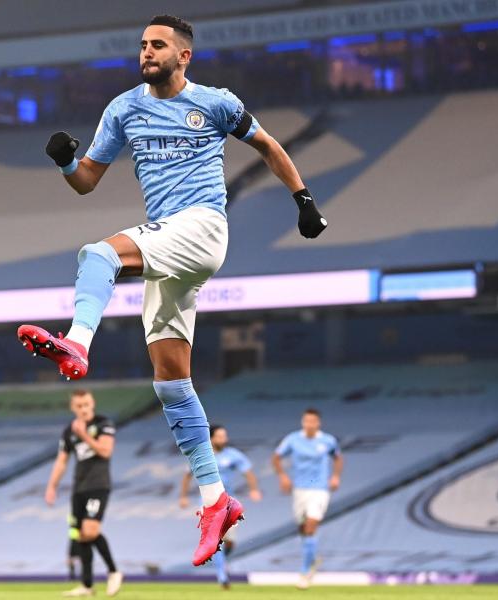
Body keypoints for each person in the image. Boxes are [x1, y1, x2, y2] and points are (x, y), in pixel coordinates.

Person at [18, 14, 327, 566]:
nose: (146, 52)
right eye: (142, 45)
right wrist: (65, 159)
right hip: (170, 252)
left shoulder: (215, 102)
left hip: (202, 227)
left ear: (183, 55)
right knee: (170, 381)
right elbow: (87, 180)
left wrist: (303, 200)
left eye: (157, 45)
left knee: (99, 254)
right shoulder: (122, 108)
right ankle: (216, 500)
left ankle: (78, 343)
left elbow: (267, 144)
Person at [45, 389, 124, 597]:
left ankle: (114, 571)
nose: (83, 409)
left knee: (90, 530)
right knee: (81, 536)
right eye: (79, 406)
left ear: (93, 404)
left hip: (98, 485)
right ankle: (87, 585)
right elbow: (62, 461)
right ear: (73, 407)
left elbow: (106, 451)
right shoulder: (68, 431)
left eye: (86, 405)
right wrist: (52, 486)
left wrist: (84, 436)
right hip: (78, 487)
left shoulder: (103, 424)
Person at [179, 425, 262, 589]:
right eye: (220, 436)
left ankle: (222, 562)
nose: (224, 439)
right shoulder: (201, 455)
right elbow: (187, 476)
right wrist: (183, 496)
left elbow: (248, 472)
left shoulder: (233, 455)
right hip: (208, 503)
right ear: (211, 438)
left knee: (229, 542)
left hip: (227, 503)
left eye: (225, 436)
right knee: (216, 539)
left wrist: (254, 489)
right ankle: (222, 577)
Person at [272, 409, 342, 590]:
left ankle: (304, 572)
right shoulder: (293, 439)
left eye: (313, 421)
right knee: (303, 528)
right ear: (303, 422)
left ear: (318, 423)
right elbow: (277, 457)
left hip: (319, 489)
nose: (309, 424)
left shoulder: (327, 440)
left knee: (311, 524)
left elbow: (338, 458)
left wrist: (335, 476)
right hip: (299, 489)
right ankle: (312, 558)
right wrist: (283, 477)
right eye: (306, 421)